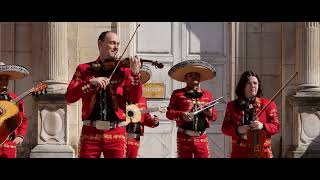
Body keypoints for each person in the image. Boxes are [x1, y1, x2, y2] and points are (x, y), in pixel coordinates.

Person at [65, 31, 142, 158]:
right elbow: (69, 96)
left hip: (116, 132)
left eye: (118, 44)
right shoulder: (84, 69)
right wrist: (90, 82)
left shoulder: (124, 71)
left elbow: (135, 99)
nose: (116, 47)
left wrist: (135, 74)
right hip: (90, 132)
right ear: (100, 44)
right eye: (112, 43)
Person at [221, 70, 280, 158]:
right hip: (239, 152)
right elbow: (225, 128)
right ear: (243, 86)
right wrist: (238, 129)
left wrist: (262, 126)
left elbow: (276, 127)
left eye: (255, 83)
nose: (253, 86)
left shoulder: (269, 104)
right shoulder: (232, 105)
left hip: (262, 152)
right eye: (249, 83)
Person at [166, 60, 218, 158]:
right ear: (185, 78)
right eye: (190, 75)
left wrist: (210, 113)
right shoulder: (177, 94)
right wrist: (182, 115)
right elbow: (169, 114)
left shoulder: (207, 95)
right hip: (184, 138)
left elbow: (214, 117)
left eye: (197, 74)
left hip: (202, 138)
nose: (194, 76)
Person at [126, 65, 160, 158]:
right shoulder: (122, 95)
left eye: (140, 79)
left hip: (135, 137)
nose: (138, 82)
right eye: (136, 78)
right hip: (121, 135)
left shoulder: (143, 99)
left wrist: (154, 121)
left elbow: (145, 117)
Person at [0, 62, 29, 158]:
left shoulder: (14, 98)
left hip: (8, 145)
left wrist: (20, 135)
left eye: (6, 79)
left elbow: (23, 119)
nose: (4, 82)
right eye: (1, 79)